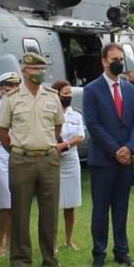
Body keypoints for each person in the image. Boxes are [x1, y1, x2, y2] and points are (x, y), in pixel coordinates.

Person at [0, 53, 66, 267]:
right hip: (22, 159)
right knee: (20, 211)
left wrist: (46, 145)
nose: (40, 73)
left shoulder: (52, 96)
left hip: (48, 158)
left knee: (50, 212)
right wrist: (17, 149)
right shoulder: (12, 97)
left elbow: (57, 127)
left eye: (43, 68)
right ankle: (21, 260)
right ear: (25, 71)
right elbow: (2, 130)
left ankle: (50, 258)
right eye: (36, 69)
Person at [81, 44, 134, 267]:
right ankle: (99, 252)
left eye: (121, 58)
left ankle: (122, 251)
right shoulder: (92, 89)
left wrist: (130, 147)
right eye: (114, 59)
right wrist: (116, 150)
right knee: (100, 209)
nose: (119, 62)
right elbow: (93, 125)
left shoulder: (128, 89)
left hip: (126, 159)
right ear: (104, 61)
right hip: (103, 160)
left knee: (121, 207)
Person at [0, 72, 22, 257]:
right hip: (0, 152)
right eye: (8, 86)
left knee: (18, 201)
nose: (12, 90)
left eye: (16, 86)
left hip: (20, 153)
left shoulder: (23, 108)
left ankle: (12, 242)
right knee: (6, 201)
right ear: (0, 89)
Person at [53, 80, 87, 252]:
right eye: (64, 94)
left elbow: (80, 136)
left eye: (69, 94)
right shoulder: (50, 113)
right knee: (53, 202)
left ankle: (69, 239)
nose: (68, 97)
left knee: (71, 203)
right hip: (54, 160)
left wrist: (65, 145)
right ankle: (52, 241)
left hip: (71, 159)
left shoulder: (76, 115)